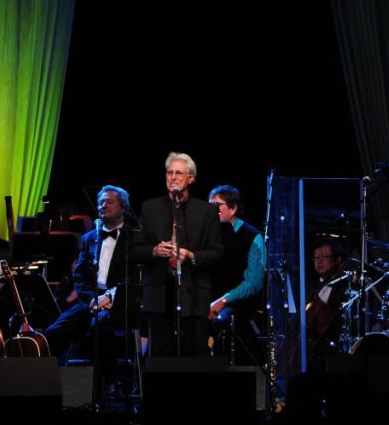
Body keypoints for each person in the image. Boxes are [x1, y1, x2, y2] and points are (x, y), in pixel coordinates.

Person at [42, 186, 136, 398]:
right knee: (53, 332)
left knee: (100, 328)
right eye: (101, 202)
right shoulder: (89, 238)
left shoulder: (135, 237)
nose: (103, 205)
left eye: (109, 201)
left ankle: (107, 384)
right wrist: (93, 299)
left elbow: (135, 277)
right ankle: (48, 389)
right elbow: (81, 276)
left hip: (119, 301)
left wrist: (110, 297)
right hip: (91, 300)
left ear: (123, 207)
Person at [132, 152, 223, 357]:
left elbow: (217, 254)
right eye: (169, 172)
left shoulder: (206, 211)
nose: (173, 177)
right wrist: (154, 251)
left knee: (194, 353)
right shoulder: (150, 207)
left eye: (179, 173)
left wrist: (191, 255)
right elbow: (135, 250)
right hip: (158, 292)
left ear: (191, 178)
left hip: (194, 294)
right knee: (160, 354)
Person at [206, 185, 266, 363]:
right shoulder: (206, 234)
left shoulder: (252, 237)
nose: (211, 211)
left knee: (223, 322)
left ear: (233, 209)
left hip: (237, 303)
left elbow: (253, 283)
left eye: (216, 206)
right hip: (209, 298)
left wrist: (223, 300)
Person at [304, 240, 348, 370]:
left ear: (337, 259)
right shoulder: (309, 287)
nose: (319, 261)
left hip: (332, 350)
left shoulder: (343, 287)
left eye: (324, 256)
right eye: (316, 257)